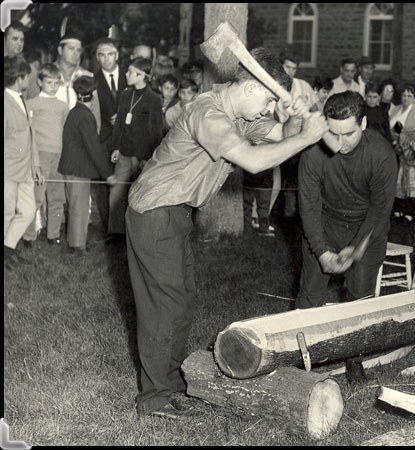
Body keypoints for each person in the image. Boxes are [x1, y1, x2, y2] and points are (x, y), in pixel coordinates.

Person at [125, 47, 327, 419]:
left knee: (181, 301)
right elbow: (252, 160)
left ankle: (169, 385)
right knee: (163, 307)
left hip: (176, 212)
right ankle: (153, 399)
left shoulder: (239, 113)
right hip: (155, 211)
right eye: (268, 99)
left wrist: (298, 121)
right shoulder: (210, 112)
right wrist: (304, 137)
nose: (268, 108)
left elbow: (280, 133)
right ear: (249, 87)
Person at [296, 90, 397, 308]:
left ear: (363, 123)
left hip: (366, 226)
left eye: (349, 134)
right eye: (333, 134)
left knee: (359, 301)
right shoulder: (313, 152)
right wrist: (321, 251)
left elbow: (380, 211)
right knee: (309, 298)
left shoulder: (381, 154)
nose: (340, 143)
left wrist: (357, 246)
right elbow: (309, 206)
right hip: (326, 222)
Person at [58, 77, 117, 254]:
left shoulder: (75, 111)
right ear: (93, 94)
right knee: (80, 208)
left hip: (71, 167)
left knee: (75, 205)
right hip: (78, 169)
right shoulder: (86, 116)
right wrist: (108, 173)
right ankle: (78, 246)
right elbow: (94, 148)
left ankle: (73, 241)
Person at [107, 58, 164, 240]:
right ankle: (116, 233)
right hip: (124, 152)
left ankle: (136, 234)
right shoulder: (126, 95)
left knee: (138, 196)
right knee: (116, 192)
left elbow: (155, 132)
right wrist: (115, 147)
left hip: (141, 156)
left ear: (140, 76)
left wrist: (147, 157)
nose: (126, 74)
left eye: (130, 72)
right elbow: (119, 126)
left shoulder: (154, 99)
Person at [22, 63, 70, 247]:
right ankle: (28, 235)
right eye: (49, 82)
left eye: (56, 82)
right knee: (36, 196)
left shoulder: (62, 106)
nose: (53, 86)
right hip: (39, 155)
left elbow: (64, 129)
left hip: (58, 154)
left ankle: (53, 234)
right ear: (40, 82)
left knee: (57, 196)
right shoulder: (31, 104)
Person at [4, 56, 43, 270]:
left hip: (26, 169)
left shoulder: (22, 99)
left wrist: (36, 165)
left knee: (28, 211)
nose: (30, 79)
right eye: (28, 76)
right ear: (20, 78)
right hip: (8, 171)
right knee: (6, 213)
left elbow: (31, 136)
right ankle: (7, 253)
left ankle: (7, 248)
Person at [275, 53, 321, 219]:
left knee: (299, 178)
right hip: (282, 137)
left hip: (303, 140)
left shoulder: (303, 86)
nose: (290, 72)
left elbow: (317, 108)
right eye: (287, 67)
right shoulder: (273, 87)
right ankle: (282, 215)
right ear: (280, 66)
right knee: (281, 179)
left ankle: (297, 215)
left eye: (294, 68)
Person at [93, 37, 125, 232]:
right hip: (103, 137)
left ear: (117, 55)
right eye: (102, 55)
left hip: (126, 138)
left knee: (125, 182)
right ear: (97, 57)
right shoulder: (93, 80)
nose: (106, 59)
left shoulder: (131, 76)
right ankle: (109, 229)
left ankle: (124, 226)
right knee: (104, 183)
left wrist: (122, 117)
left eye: (110, 54)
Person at [389, 84, 415, 217]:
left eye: (409, 96)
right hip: (394, 149)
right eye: (404, 95)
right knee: (396, 182)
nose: (406, 98)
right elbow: (390, 128)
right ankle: (397, 210)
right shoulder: (396, 109)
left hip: (409, 152)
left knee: (408, 182)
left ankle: (408, 212)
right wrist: (395, 135)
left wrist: (404, 136)